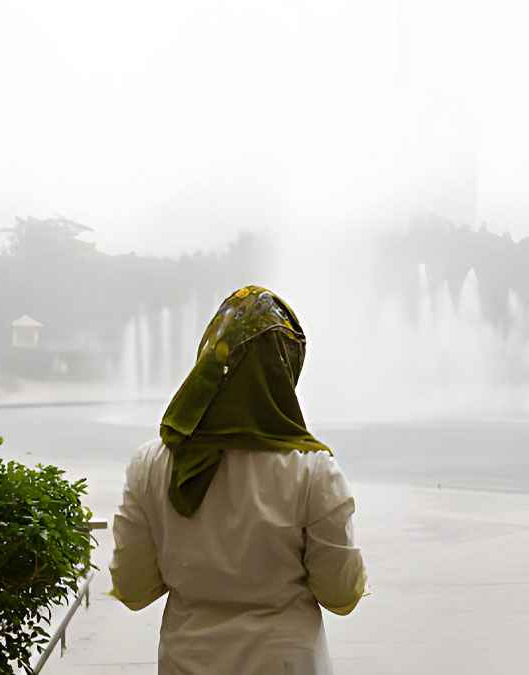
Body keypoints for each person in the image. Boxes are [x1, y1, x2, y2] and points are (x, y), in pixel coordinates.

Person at [109, 285, 367, 675]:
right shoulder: (313, 472)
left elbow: (132, 588)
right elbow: (340, 595)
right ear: (285, 369)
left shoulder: (152, 463)